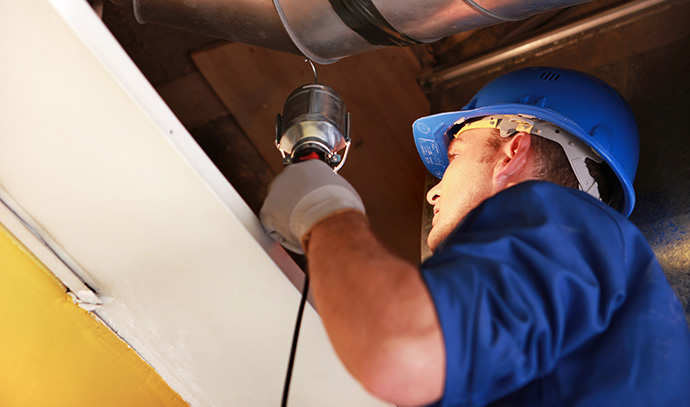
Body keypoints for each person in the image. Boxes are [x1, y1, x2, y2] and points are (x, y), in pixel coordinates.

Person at [260, 66, 690, 406]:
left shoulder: (569, 224)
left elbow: (399, 352)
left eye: (454, 158)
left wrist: (324, 213)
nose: (433, 190)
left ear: (512, 151)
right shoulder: (594, 292)